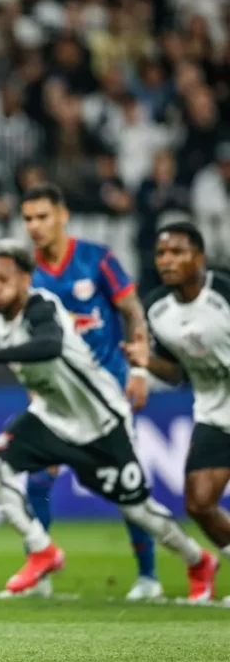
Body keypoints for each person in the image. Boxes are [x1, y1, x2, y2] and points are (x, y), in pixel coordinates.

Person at [0, 241, 218, 600]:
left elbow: (49, 346)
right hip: (51, 417)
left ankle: (197, 560)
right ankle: (42, 550)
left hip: (99, 422)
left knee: (137, 509)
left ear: (25, 279)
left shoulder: (42, 307)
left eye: (2, 280)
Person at [19, 183, 159, 600]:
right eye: (27, 219)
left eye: (42, 217)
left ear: (62, 215)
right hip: (56, 396)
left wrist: (140, 370)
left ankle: (149, 576)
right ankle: (41, 570)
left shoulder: (97, 259)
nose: (35, 226)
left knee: (126, 486)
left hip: (106, 392)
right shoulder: (29, 273)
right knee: (38, 481)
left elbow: (132, 310)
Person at [123, 222, 230, 600]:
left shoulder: (224, 293)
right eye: (162, 254)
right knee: (199, 503)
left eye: (178, 252)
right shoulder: (157, 307)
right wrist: (147, 362)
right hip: (215, 412)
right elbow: (176, 373)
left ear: (199, 258)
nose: (167, 261)